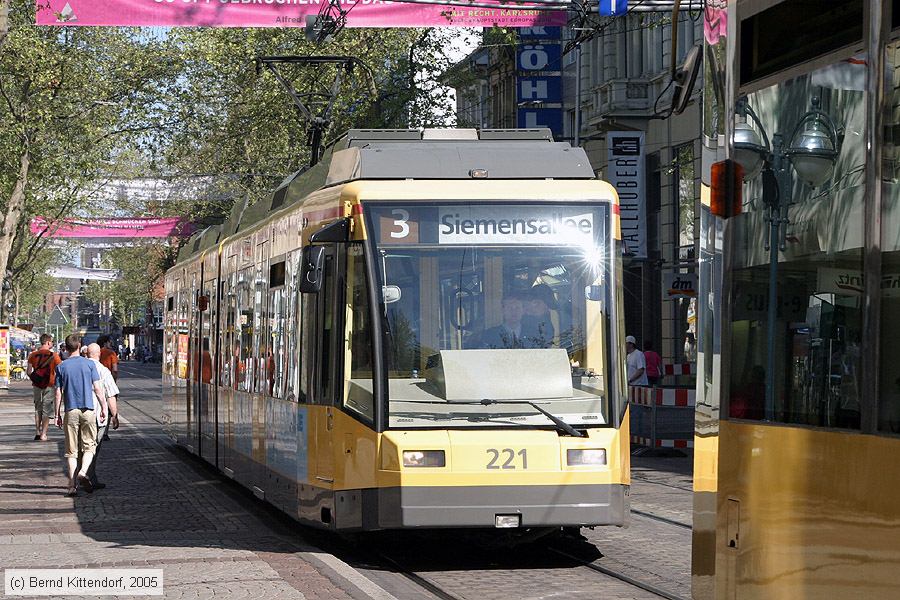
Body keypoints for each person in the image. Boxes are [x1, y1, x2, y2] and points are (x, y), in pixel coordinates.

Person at [54, 335, 107, 497]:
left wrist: (57, 414)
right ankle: (83, 472)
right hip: (88, 411)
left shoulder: (61, 367)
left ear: (66, 348)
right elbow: (98, 389)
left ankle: (71, 485)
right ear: (79, 346)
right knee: (89, 446)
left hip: (71, 411)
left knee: (71, 451)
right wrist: (104, 407)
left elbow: (58, 393)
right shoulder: (90, 365)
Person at [84, 343, 120, 490]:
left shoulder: (79, 368)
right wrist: (115, 415)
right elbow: (110, 395)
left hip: (78, 413)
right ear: (98, 354)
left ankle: (77, 477)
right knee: (93, 448)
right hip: (98, 415)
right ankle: (89, 476)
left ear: (86, 354)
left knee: (79, 447)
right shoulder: (104, 371)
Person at [27, 334, 62, 441]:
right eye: (51, 342)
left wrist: (36, 379)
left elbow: (28, 372)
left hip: (36, 385)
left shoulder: (32, 355)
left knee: (38, 408)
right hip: (49, 385)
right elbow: (60, 370)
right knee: (47, 409)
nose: (52, 343)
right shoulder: (54, 356)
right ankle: (44, 434)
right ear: (47, 342)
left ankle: (37, 432)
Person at [522, 284, 556, 348]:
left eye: (536, 303)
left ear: (547, 304)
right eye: (530, 303)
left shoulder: (563, 321)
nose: (531, 307)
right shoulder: (524, 321)